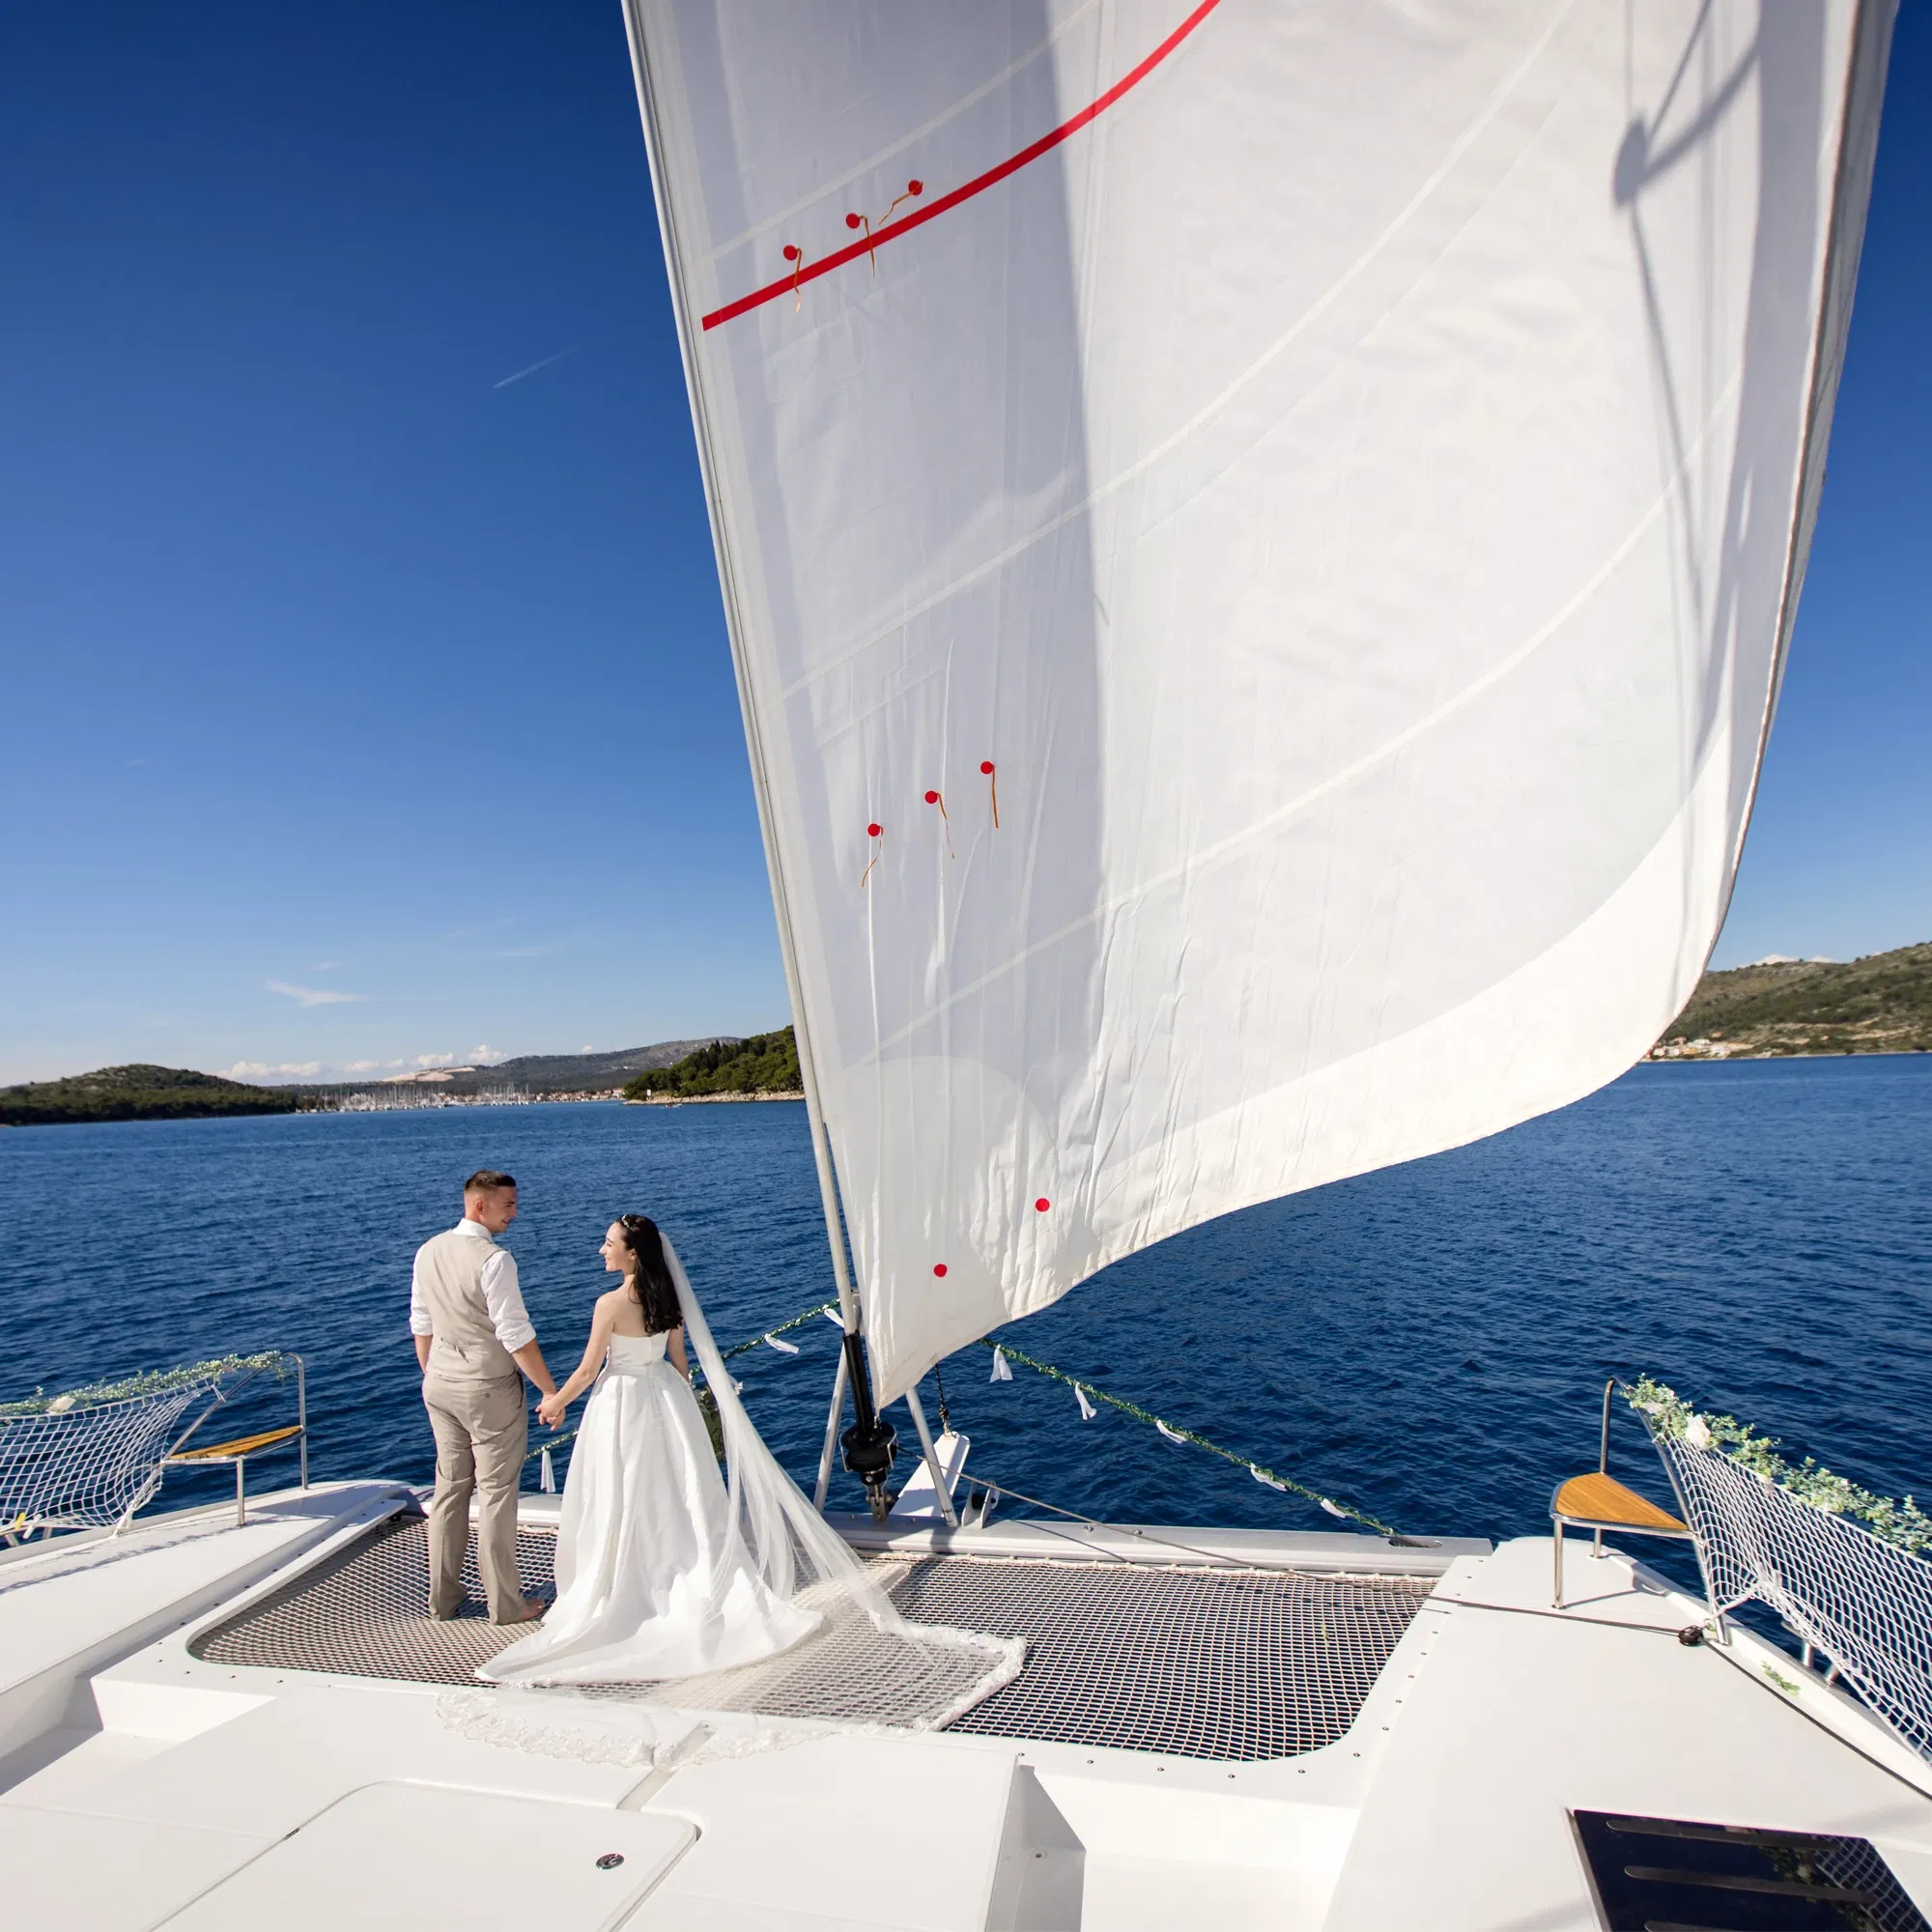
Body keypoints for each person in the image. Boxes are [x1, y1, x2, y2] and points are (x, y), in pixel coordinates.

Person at [477, 1212, 819, 1685]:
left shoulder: (610, 1304)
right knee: (677, 1495)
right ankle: (682, 1571)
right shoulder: (668, 1297)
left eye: (609, 1242)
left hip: (622, 1405)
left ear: (632, 1253)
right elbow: (680, 1367)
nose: (602, 1250)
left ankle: (628, 1582)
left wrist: (554, 1402)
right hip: (667, 1398)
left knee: (620, 1493)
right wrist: (687, 1420)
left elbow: (586, 1370)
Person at [411, 1169, 558, 1624]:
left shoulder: (428, 1250)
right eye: (508, 1204)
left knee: (450, 1490)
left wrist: (435, 1372)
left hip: (439, 1383)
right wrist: (549, 1390)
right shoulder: (494, 1260)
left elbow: (422, 1324)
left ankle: (443, 1600)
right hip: (487, 1389)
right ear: (481, 1206)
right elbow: (514, 1334)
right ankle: (506, 1604)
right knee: (496, 1493)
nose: (515, 1212)